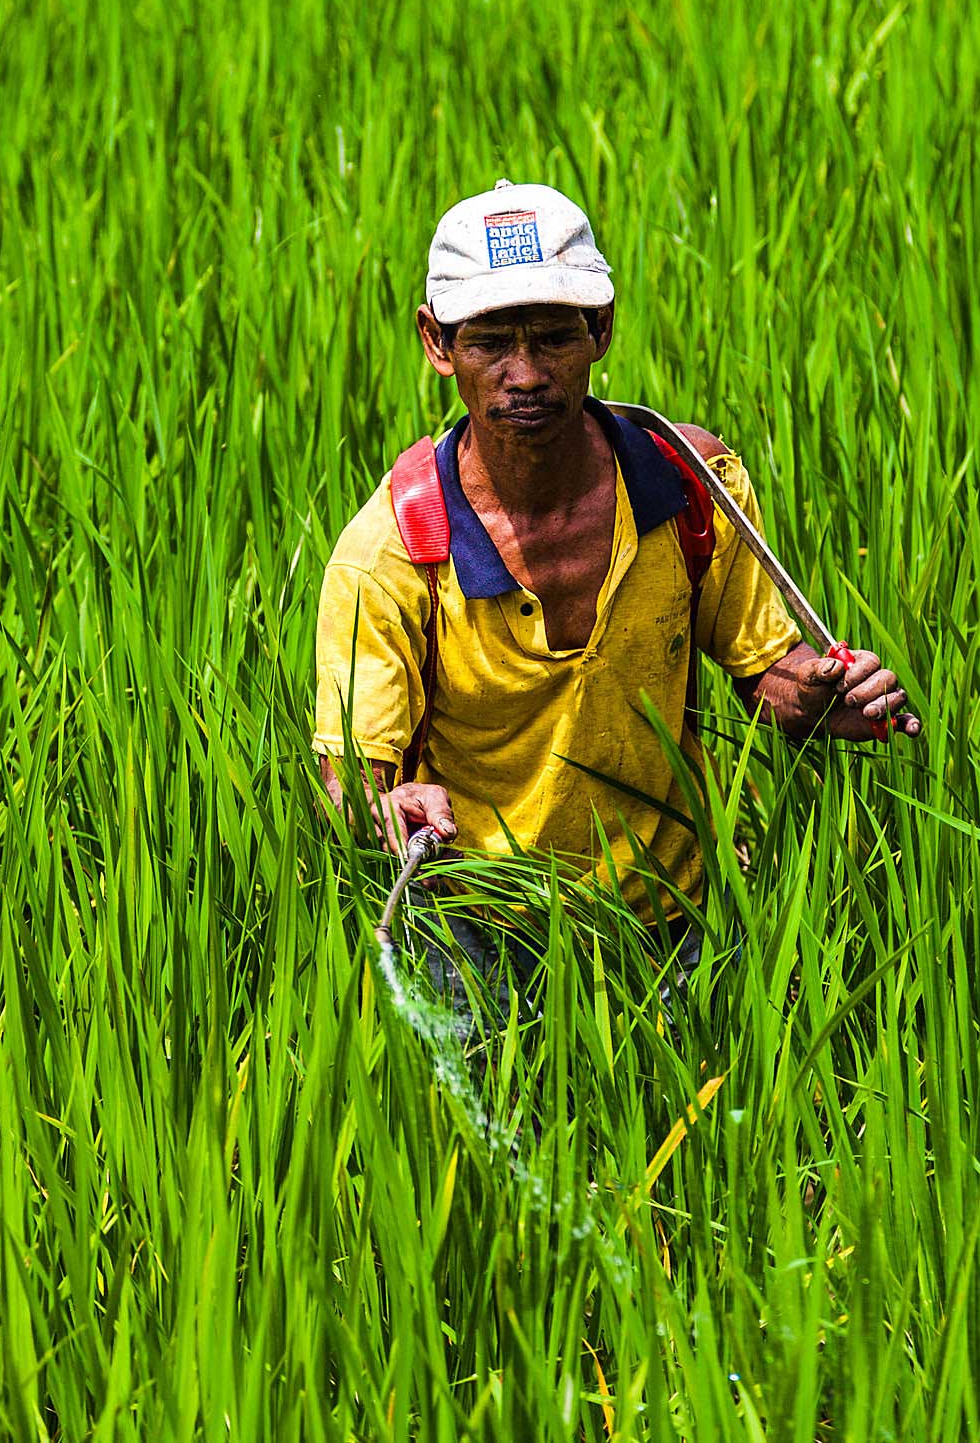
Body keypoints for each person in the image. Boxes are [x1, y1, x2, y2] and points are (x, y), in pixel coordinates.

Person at [315, 180, 917, 1021]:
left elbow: (767, 673)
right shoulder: (395, 550)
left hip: (676, 921)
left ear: (599, 328)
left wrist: (820, 697)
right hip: (477, 935)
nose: (525, 373)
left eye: (554, 336)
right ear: (437, 342)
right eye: (490, 341)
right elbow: (351, 776)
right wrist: (387, 806)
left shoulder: (687, 483)